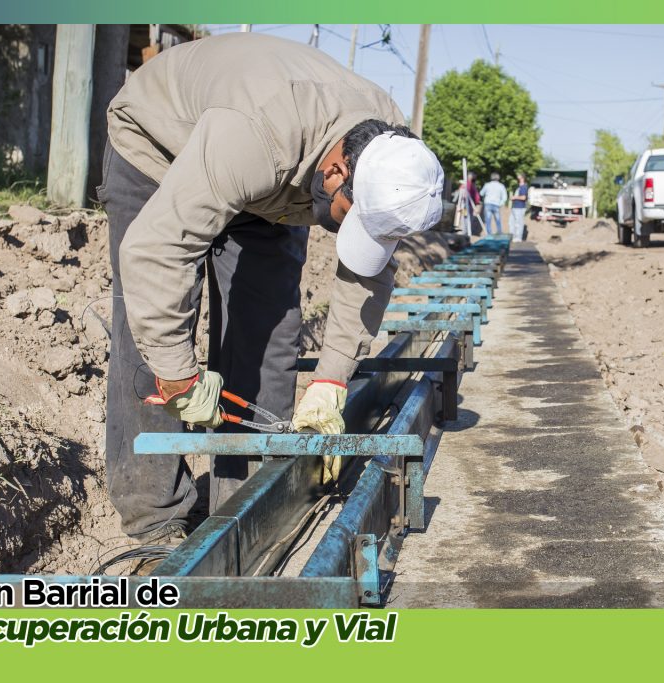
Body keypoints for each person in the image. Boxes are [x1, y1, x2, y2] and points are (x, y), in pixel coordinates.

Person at [98, 32, 444, 543]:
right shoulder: (258, 135)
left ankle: (243, 512)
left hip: (273, 177)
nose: (353, 233)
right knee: (153, 326)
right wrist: (177, 375)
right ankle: (155, 520)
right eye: (352, 220)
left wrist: (331, 381)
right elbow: (156, 251)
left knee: (270, 326)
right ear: (336, 172)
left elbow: (367, 273)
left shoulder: (391, 156)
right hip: (161, 146)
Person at [510, 174, 528, 243]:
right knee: (512, 222)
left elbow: (523, 197)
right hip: (515, 207)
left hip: (520, 207)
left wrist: (515, 197)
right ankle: (513, 236)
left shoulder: (523, 187)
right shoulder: (519, 187)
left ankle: (518, 237)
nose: (517, 178)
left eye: (519, 177)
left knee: (518, 223)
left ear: (522, 178)